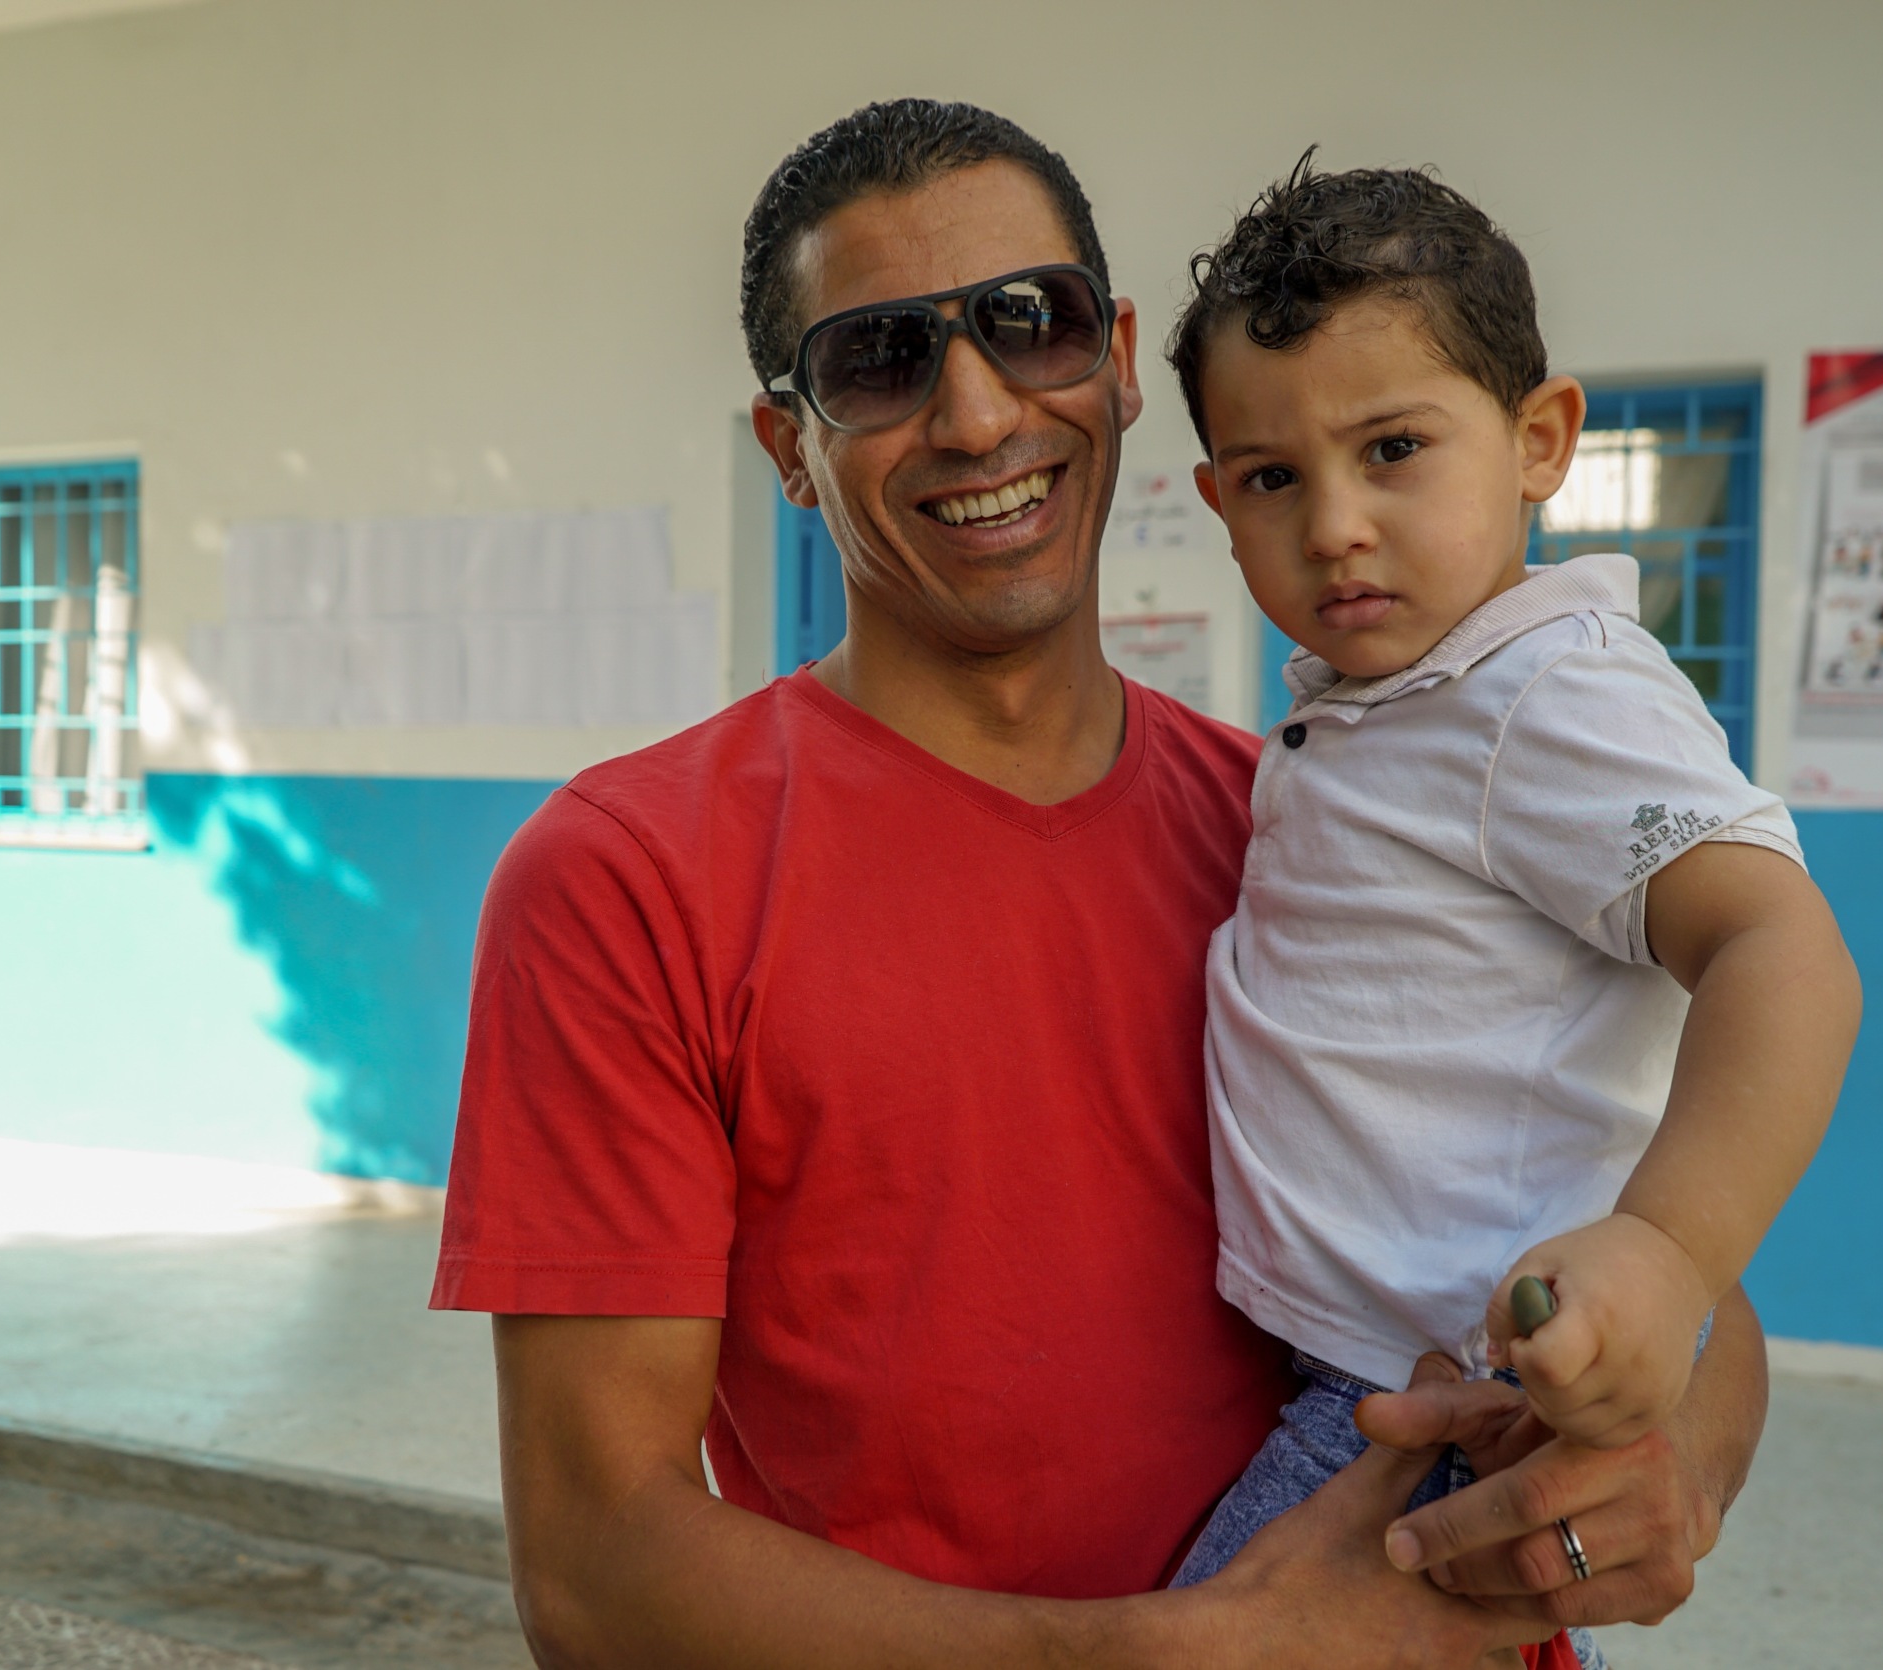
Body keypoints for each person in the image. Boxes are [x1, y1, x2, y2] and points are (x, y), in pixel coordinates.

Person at [433, 99, 1774, 1670]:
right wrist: (1168, 1653)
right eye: (880, 360)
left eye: (1030, 323)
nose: (982, 413)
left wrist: (1695, 1451)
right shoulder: (632, 878)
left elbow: (1662, 1268)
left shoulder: (1311, 824)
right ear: (790, 446)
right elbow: (599, 1575)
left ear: (1121, 358)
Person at [1163, 158, 1863, 1622]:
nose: (1337, 522)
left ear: (1540, 439)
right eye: (1275, 477)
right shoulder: (1383, 704)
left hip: (1435, 1393)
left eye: (1396, 447)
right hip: (1357, 1360)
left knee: (1229, 1638)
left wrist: (1670, 1256)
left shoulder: (1546, 693)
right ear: (1218, 504)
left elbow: (1779, 949)